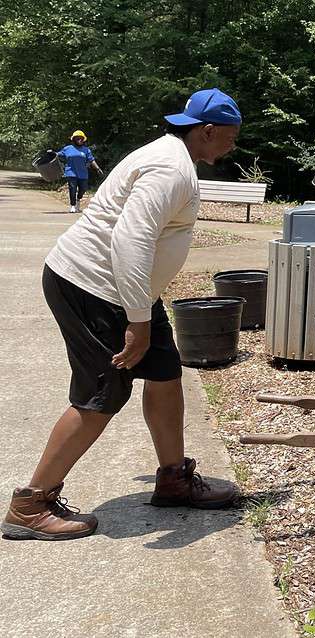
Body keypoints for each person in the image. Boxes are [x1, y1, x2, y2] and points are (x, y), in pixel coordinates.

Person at [1, 88, 243, 542]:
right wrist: (137, 322)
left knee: (166, 373)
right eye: (229, 136)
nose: (232, 145)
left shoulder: (171, 155)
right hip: (95, 288)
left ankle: (173, 479)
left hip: (127, 291)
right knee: (101, 394)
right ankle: (31, 504)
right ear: (206, 131)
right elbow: (129, 241)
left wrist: (141, 311)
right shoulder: (170, 169)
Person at [58, 130, 103, 213]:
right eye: (78, 138)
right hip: (71, 172)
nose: (80, 140)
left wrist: (97, 168)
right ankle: (73, 205)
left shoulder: (86, 150)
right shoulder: (68, 149)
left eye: (81, 138)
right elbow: (58, 155)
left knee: (83, 189)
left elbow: (91, 160)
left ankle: (78, 199)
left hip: (83, 174)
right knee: (72, 188)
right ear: (74, 139)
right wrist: (52, 153)